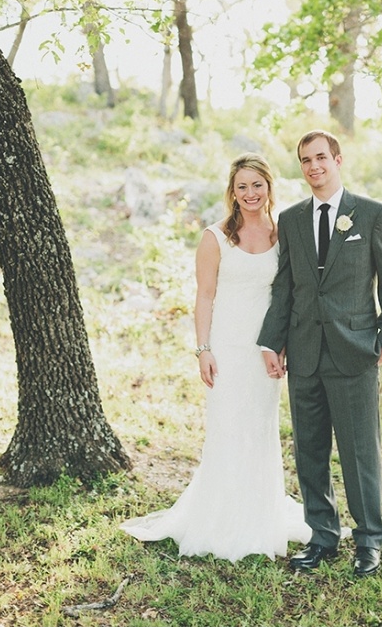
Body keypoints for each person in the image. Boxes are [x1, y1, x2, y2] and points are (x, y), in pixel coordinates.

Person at [120, 153, 310, 561]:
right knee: (227, 427)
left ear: (269, 187)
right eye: (242, 186)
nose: (250, 193)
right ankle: (222, 519)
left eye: (257, 185)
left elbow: (287, 296)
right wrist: (203, 349)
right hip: (226, 346)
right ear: (232, 191)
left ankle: (260, 517)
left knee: (260, 429)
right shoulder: (216, 237)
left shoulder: (283, 234)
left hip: (266, 349)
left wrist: (280, 345)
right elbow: (204, 296)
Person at [258, 130, 382, 577]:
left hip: (355, 352)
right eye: (305, 160)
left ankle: (368, 542)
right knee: (309, 452)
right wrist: (272, 341)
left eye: (321, 157)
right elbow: (284, 287)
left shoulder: (373, 214)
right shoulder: (291, 219)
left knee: (361, 453)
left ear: (338, 160)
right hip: (303, 354)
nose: (313, 166)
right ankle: (322, 537)